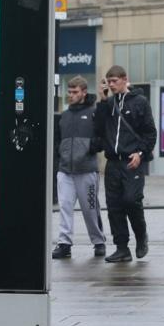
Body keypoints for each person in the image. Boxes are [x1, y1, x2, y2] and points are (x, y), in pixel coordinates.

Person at [94, 65, 156, 263]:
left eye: (115, 81)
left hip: (132, 161)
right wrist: (102, 100)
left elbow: (150, 132)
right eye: (109, 81)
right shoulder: (109, 102)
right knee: (114, 206)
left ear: (124, 79)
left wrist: (140, 153)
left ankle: (141, 236)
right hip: (113, 162)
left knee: (131, 200)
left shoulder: (140, 102)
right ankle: (122, 248)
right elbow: (98, 128)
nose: (111, 85)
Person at [52, 76, 107, 259]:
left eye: (75, 92)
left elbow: (102, 136)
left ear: (84, 92)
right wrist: (61, 153)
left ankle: (98, 241)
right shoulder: (64, 116)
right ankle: (64, 243)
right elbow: (58, 139)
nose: (71, 95)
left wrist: (91, 148)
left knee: (90, 208)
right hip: (65, 170)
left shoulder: (93, 113)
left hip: (87, 169)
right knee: (65, 206)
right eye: (69, 91)